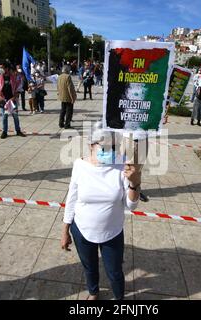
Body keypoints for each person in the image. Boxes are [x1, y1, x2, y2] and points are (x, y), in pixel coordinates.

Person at [61, 122, 141, 300]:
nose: (110, 150)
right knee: (89, 267)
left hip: (112, 233)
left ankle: (120, 298)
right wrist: (65, 230)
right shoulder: (79, 165)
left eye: (113, 146)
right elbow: (72, 198)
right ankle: (93, 292)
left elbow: (131, 205)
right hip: (81, 230)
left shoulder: (122, 167)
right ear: (91, 145)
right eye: (104, 146)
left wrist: (135, 182)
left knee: (115, 272)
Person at [0, 62, 26, 139]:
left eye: (2, 67)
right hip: (3, 101)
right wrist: (0, 97)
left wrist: (13, 97)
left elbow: (19, 89)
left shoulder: (14, 78)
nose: (0, 69)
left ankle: (18, 131)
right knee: (4, 117)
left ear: (7, 68)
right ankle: (4, 132)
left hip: (12, 101)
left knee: (15, 116)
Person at [57, 65, 77, 129]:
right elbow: (70, 88)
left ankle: (61, 123)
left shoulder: (59, 76)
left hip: (62, 96)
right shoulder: (68, 77)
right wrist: (72, 97)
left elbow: (58, 86)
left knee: (63, 110)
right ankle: (67, 125)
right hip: (68, 96)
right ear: (67, 70)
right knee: (69, 111)